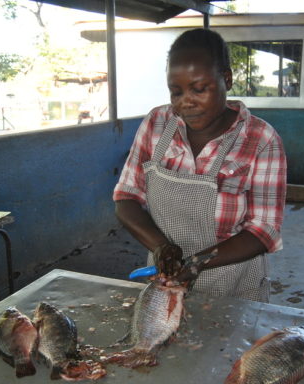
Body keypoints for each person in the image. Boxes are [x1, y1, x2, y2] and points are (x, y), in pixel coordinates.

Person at [112, 28, 286, 302]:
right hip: (166, 278)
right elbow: (126, 197)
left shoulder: (260, 139)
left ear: (226, 80)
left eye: (199, 89)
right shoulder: (157, 124)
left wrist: (196, 263)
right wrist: (161, 249)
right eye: (176, 92)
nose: (185, 103)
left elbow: (264, 230)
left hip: (235, 284)